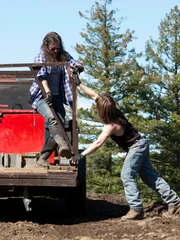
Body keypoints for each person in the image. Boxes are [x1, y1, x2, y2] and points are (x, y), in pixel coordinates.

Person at [70, 76, 180, 221]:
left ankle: (136, 209)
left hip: (136, 147)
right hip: (142, 144)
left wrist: (81, 155)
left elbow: (98, 143)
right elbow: (94, 95)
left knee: (126, 175)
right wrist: (79, 84)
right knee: (150, 177)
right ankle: (175, 202)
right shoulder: (115, 110)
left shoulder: (111, 125)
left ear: (103, 111)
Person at [29, 32, 84, 167]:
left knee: (59, 126)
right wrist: (47, 92)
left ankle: (42, 159)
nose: (55, 51)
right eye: (53, 49)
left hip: (57, 97)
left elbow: (75, 63)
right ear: (47, 46)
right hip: (42, 96)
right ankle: (63, 145)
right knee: (52, 120)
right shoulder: (41, 56)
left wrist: (79, 66)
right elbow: (41, 76)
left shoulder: (63, 56)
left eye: (57, 48)